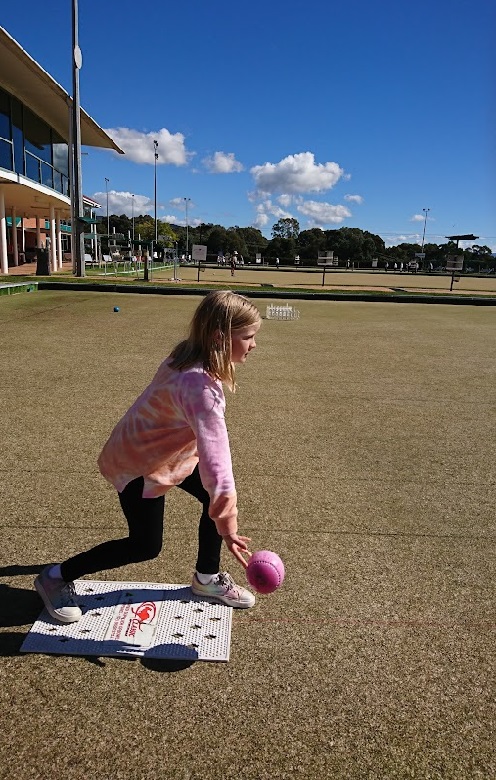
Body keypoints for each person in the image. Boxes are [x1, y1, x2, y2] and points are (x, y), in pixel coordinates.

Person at [35, 291, 262, 623]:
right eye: (248, 337)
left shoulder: (186, 352)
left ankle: (207, 578)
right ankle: (55, 577)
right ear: (218, 337)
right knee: (144, 546)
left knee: (210, 499)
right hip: (138, 464)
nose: (254, 345)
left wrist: (222, 515)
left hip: (166, 455)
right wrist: (228, 528)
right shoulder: (201, 390)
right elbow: (218, 466)